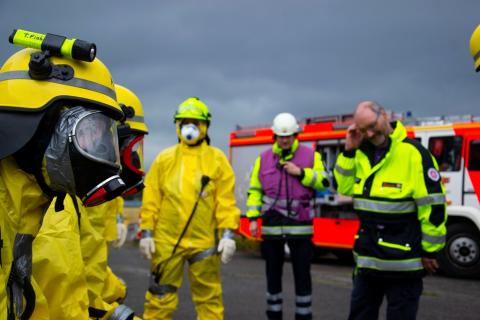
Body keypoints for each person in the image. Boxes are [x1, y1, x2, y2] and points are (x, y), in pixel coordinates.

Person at [0, 35, 125, 319]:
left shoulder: (43, 208)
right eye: (89, 136)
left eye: (103, 141)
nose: (101, 157)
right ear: (35, 126)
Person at [334, 101, 447, 320]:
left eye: (372, 125)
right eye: (363, 129)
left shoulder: (414, 154)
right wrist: (348, 151)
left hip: (403, 266)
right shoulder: (360, 152)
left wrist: (430, 251)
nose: (369, 133)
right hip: (367, 263)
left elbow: (433, 207)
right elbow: (345, 188)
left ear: (384, 115)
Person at [139, 97, 240, 320]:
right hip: (167, 242)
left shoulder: (217, 160)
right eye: (184, 122)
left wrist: (228, 233)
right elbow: (152, 196)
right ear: (177, 125)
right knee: (159, 297)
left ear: (205, 126)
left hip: (203, 243)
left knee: (209, 300)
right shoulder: (165, 159)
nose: (190, 127)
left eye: (195, 122)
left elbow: (225, 201)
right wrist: (147, 231)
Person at [246, 112, 330, 320]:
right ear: (274, 136)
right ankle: (273, 316)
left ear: (295, 135)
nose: (284, 139)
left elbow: (325, 183)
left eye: (289, 135)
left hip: (300, 229)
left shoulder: (311, 155)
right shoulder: (263, 158)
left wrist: (301, 173)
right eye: (281, 136)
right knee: (272, 277)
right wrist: (253, 218)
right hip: (271, 228)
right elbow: (255, 190)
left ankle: (303, 316)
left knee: (302, 277)